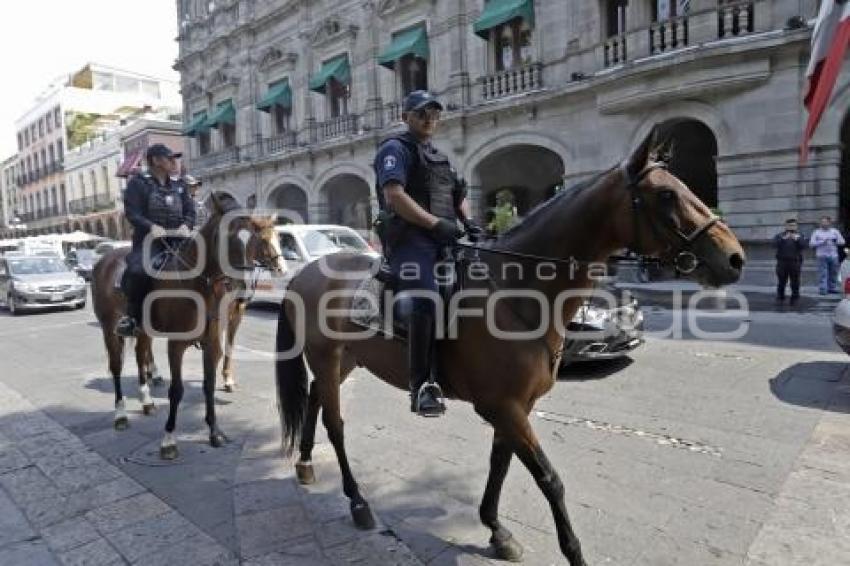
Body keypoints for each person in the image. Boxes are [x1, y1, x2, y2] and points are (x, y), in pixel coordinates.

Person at [373, 90, 480, 417]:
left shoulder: (439, 156)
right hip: (410, 241)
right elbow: (395, 195)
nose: (429, 119)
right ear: (406, 117)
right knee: (426, 297)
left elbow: (458, 195)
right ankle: (422, 386)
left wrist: (470, 222)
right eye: (421, 113)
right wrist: (435, 224)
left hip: (443, 239)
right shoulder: (395, 149)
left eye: (434, 113)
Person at [117, 144, 195, 337]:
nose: (174, 162)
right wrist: (151, 227)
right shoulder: (137, 183)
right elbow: (132, 214)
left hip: (179, 240)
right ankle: (132, 318)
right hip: (149, 242)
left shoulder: (180, 184)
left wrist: (187, 225)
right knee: (138, 272)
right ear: (156, 161)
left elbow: (190, 211)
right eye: (170, 158)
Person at [809, 215, 845, 295]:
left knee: (833, 273)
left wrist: (835, 241)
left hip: (833, 255)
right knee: (823, 273)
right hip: (821, 256)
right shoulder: (816, 232)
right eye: (822, 222)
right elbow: (811, 244)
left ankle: (832, 288)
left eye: (825, 222)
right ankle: (823, 289)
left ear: (829, 222)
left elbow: (842, 242)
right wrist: (822, 242)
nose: (824, 223)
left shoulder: (835, 231)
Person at [773, 218, 806, 304]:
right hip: (782, 262)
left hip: (795, 261)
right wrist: (783, 239)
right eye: (790, 225)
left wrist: (797, 239)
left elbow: (804, 246)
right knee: (781, 280)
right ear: (786, 226)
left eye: (794, 225)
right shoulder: (780, 235)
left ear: (796, 226)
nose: (792, 227)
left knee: (795, 281)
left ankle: (795, 297)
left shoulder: (800, 235)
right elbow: (774, 244)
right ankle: (780, 296)